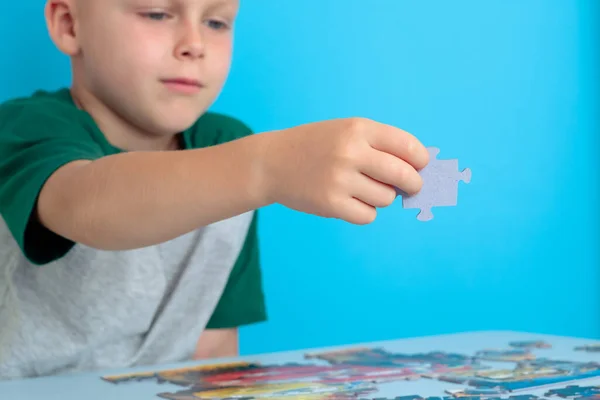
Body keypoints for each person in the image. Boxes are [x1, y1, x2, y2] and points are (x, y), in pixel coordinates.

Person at [0, 0, 429, 380]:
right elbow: (86, 204)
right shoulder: (25, 128)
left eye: (217, 22)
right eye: (157, 13)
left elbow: (213, 348)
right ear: (69, 24)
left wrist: (259, 166)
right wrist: (266, 166)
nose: (194, 44)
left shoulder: (229, 146)